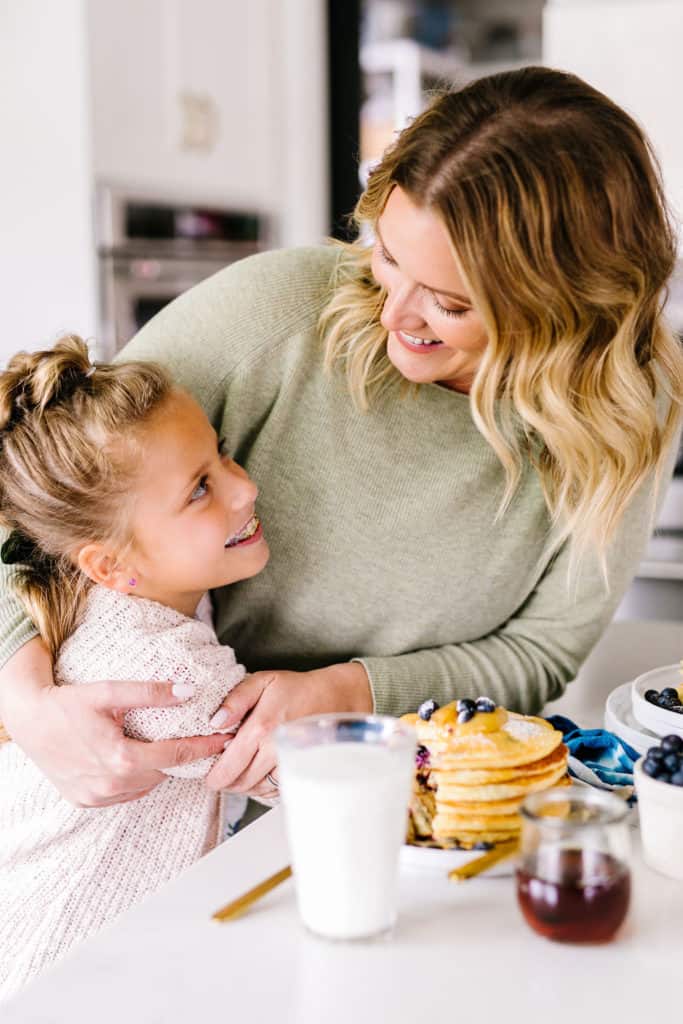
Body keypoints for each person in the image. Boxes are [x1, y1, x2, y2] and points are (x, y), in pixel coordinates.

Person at [1, 66, 682, 811]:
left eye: (450, 303)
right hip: (151, 804)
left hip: (384, 797)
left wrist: (343, 692)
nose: (394, 315)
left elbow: (539, 653)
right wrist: (27, 701)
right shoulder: (276, 313)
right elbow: (34, 496)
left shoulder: (626, 412)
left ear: (565, 306)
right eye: (388, 257)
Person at [0, 337, 278, 998]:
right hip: (60, 980)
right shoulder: (161, 671)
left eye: (223, 455)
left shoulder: (99, 601)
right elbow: (331, 783)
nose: (245, 487)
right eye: (199, 490)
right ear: (110, 564)